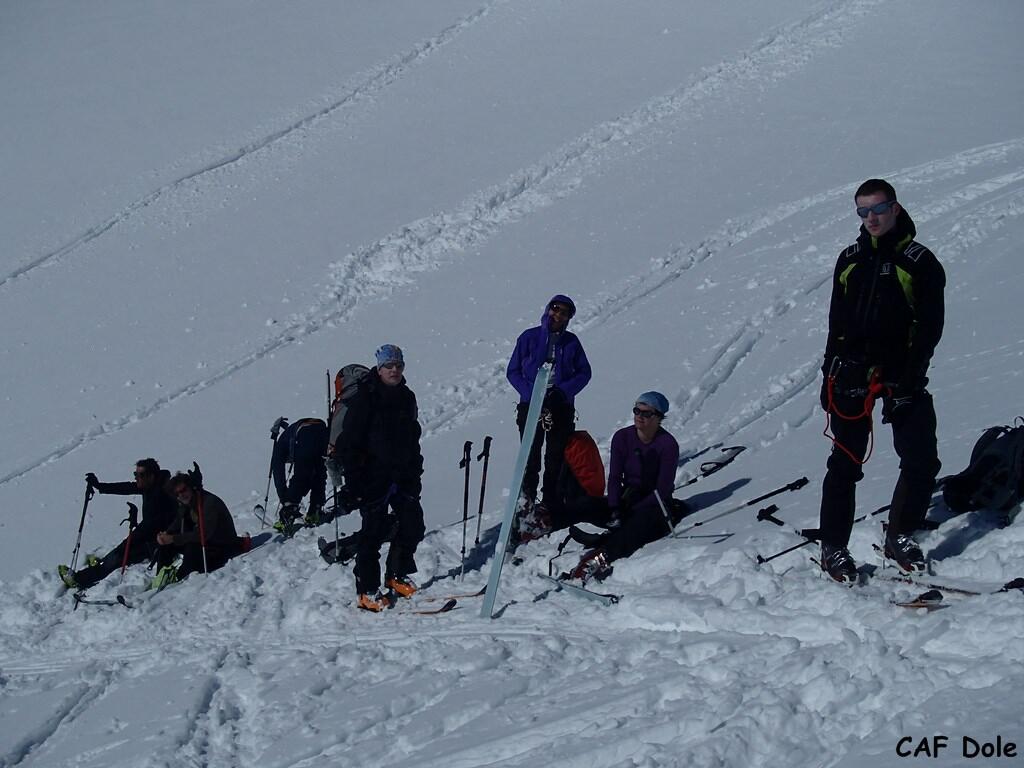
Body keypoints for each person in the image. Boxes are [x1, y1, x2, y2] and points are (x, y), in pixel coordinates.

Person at [817, 179, 945, 581]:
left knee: (921, 458)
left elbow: (930, 327)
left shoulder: (919, 261)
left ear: (895, 208)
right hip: (851, 371)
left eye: (878, 209)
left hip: (901, 374)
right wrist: (829, 371)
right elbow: (836, 322)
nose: (871, 218)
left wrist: (910, 376)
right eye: (863, 211)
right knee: (845, 461)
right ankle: (833, 546)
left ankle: (900, 534)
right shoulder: (850, 259)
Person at [335, 344, 426, 612]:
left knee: (413, 525)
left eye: (398, 365)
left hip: (403, 475)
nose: (394, 370)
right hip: (372, 477)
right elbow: (349, 443)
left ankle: (396, 574)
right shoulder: (365, 397)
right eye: (389, 366)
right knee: (372, 533)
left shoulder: (407, 397)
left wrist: (416, 470)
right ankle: (367, 589)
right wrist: (353, 482)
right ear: (379, 368)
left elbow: (413, 436)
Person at [568, 392, 686, 581]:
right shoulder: (622, 437)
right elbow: (615, 476)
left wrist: (632, 511)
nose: (639, 416)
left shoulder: (668, 444)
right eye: (637, 411)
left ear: (658, 417)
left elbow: (663, 489)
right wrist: (615, 508)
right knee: (586, 504)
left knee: (637, 525)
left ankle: (599, 558)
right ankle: (548, 521)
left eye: (646, 413)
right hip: (628, 498)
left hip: (655, 505)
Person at [506, 295, 592, 518]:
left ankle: (551, 504)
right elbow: (513, 371)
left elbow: (584, 372)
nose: (558, 315)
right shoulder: (529, 337)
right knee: (530, 456)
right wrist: (531, 394)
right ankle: (526, 504)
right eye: (556, 308)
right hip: (530, 404)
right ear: (548, 309)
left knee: (556, 457)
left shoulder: (571, 342)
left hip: (560, 406)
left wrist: (563, 392)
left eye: (564, 312)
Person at [58, 459, 178, 590]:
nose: (136, 478)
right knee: (120, 552)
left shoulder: (162, 493)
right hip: (149, 536)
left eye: (141, 475)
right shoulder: (151, 486)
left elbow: (152, 524)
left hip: (158, 544)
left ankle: (79, 580)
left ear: (151, 476)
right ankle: (100, 565)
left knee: (119, 555)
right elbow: (126, 487)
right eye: (135, 474)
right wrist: (100, 486)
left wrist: (132, 538)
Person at [156, 470, 244, 582]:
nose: (181, 495)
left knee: (191, 548)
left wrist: (173, 538)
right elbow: (178, 521)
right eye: (177, 494)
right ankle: (160, 577)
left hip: (221, 546)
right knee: (167, 545)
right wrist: (167, 534)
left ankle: (179, 578)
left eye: (183, 490)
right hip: (207, 545)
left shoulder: (209, 502)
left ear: (191, 487)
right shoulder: (188, 503)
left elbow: (203, 534)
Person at [270, 417, 329, 530]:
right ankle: (315, 510)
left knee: (301, 476)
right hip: (322, 430)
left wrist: (284, 498)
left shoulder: (279, 449)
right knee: (319, 472)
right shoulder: (288, 438)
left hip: (305, 433)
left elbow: (278, 473)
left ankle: (288, 514)